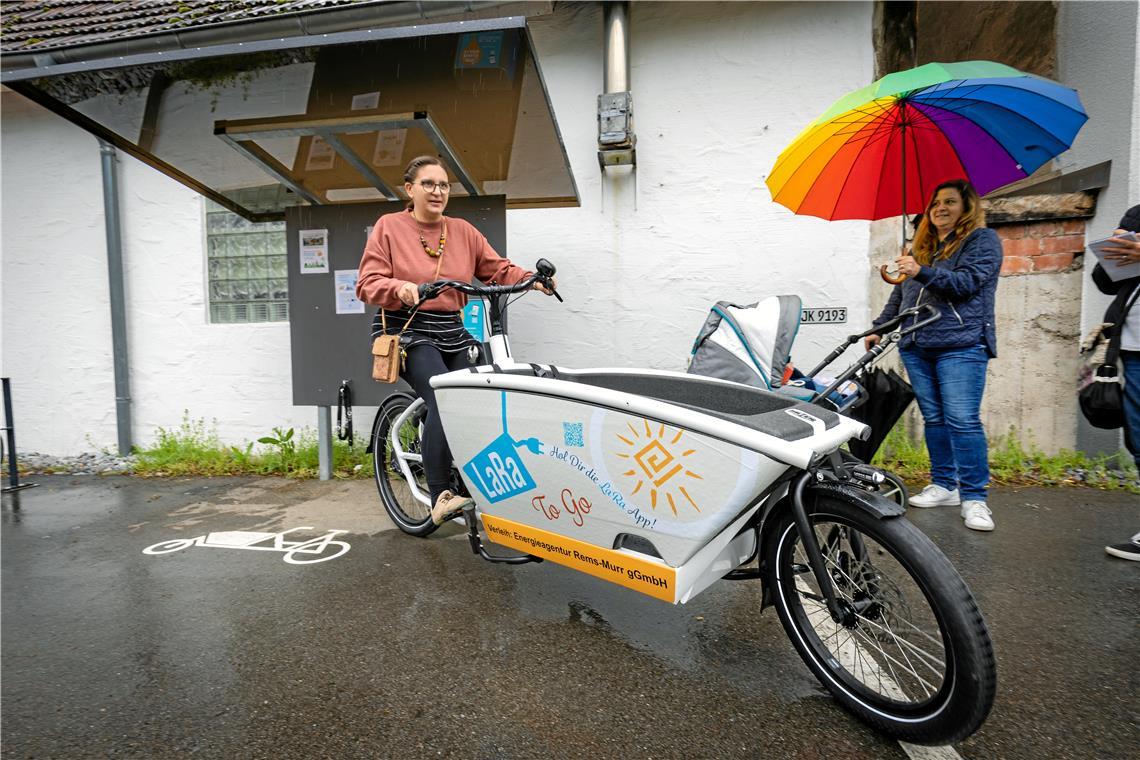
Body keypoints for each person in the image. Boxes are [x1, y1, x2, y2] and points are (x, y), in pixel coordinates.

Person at [356, 155, 555, 527]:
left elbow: (497, 268)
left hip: (452, 329)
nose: (437, 191)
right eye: (428, 184)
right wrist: (401, 286)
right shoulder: (389, 227)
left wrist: (531, 279)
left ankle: (478, 481)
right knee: (444, 399)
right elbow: (366, 283)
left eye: (444, 185)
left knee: (477, 399)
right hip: (407, 329)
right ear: (410, 189)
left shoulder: (462, 231)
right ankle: (439, 495)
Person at [865, 179, 1003, 531]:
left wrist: (921, 270)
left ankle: (974, 498)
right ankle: (945, 485)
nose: (940, 208)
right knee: (936, 419)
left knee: (962, 420)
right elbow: (903, 298)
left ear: (966, 206)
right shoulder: (921, 247)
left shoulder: (982, 242)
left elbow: (966, 284)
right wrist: (879, 327)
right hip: (917, 343)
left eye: (950, 202)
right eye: (935, 203)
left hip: (962, 343)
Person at [1090, 204, 1140, 561]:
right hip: (1133, 350)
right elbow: (1104, 282)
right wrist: (1116, 251)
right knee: (1138, 439)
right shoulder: (1136, 214)